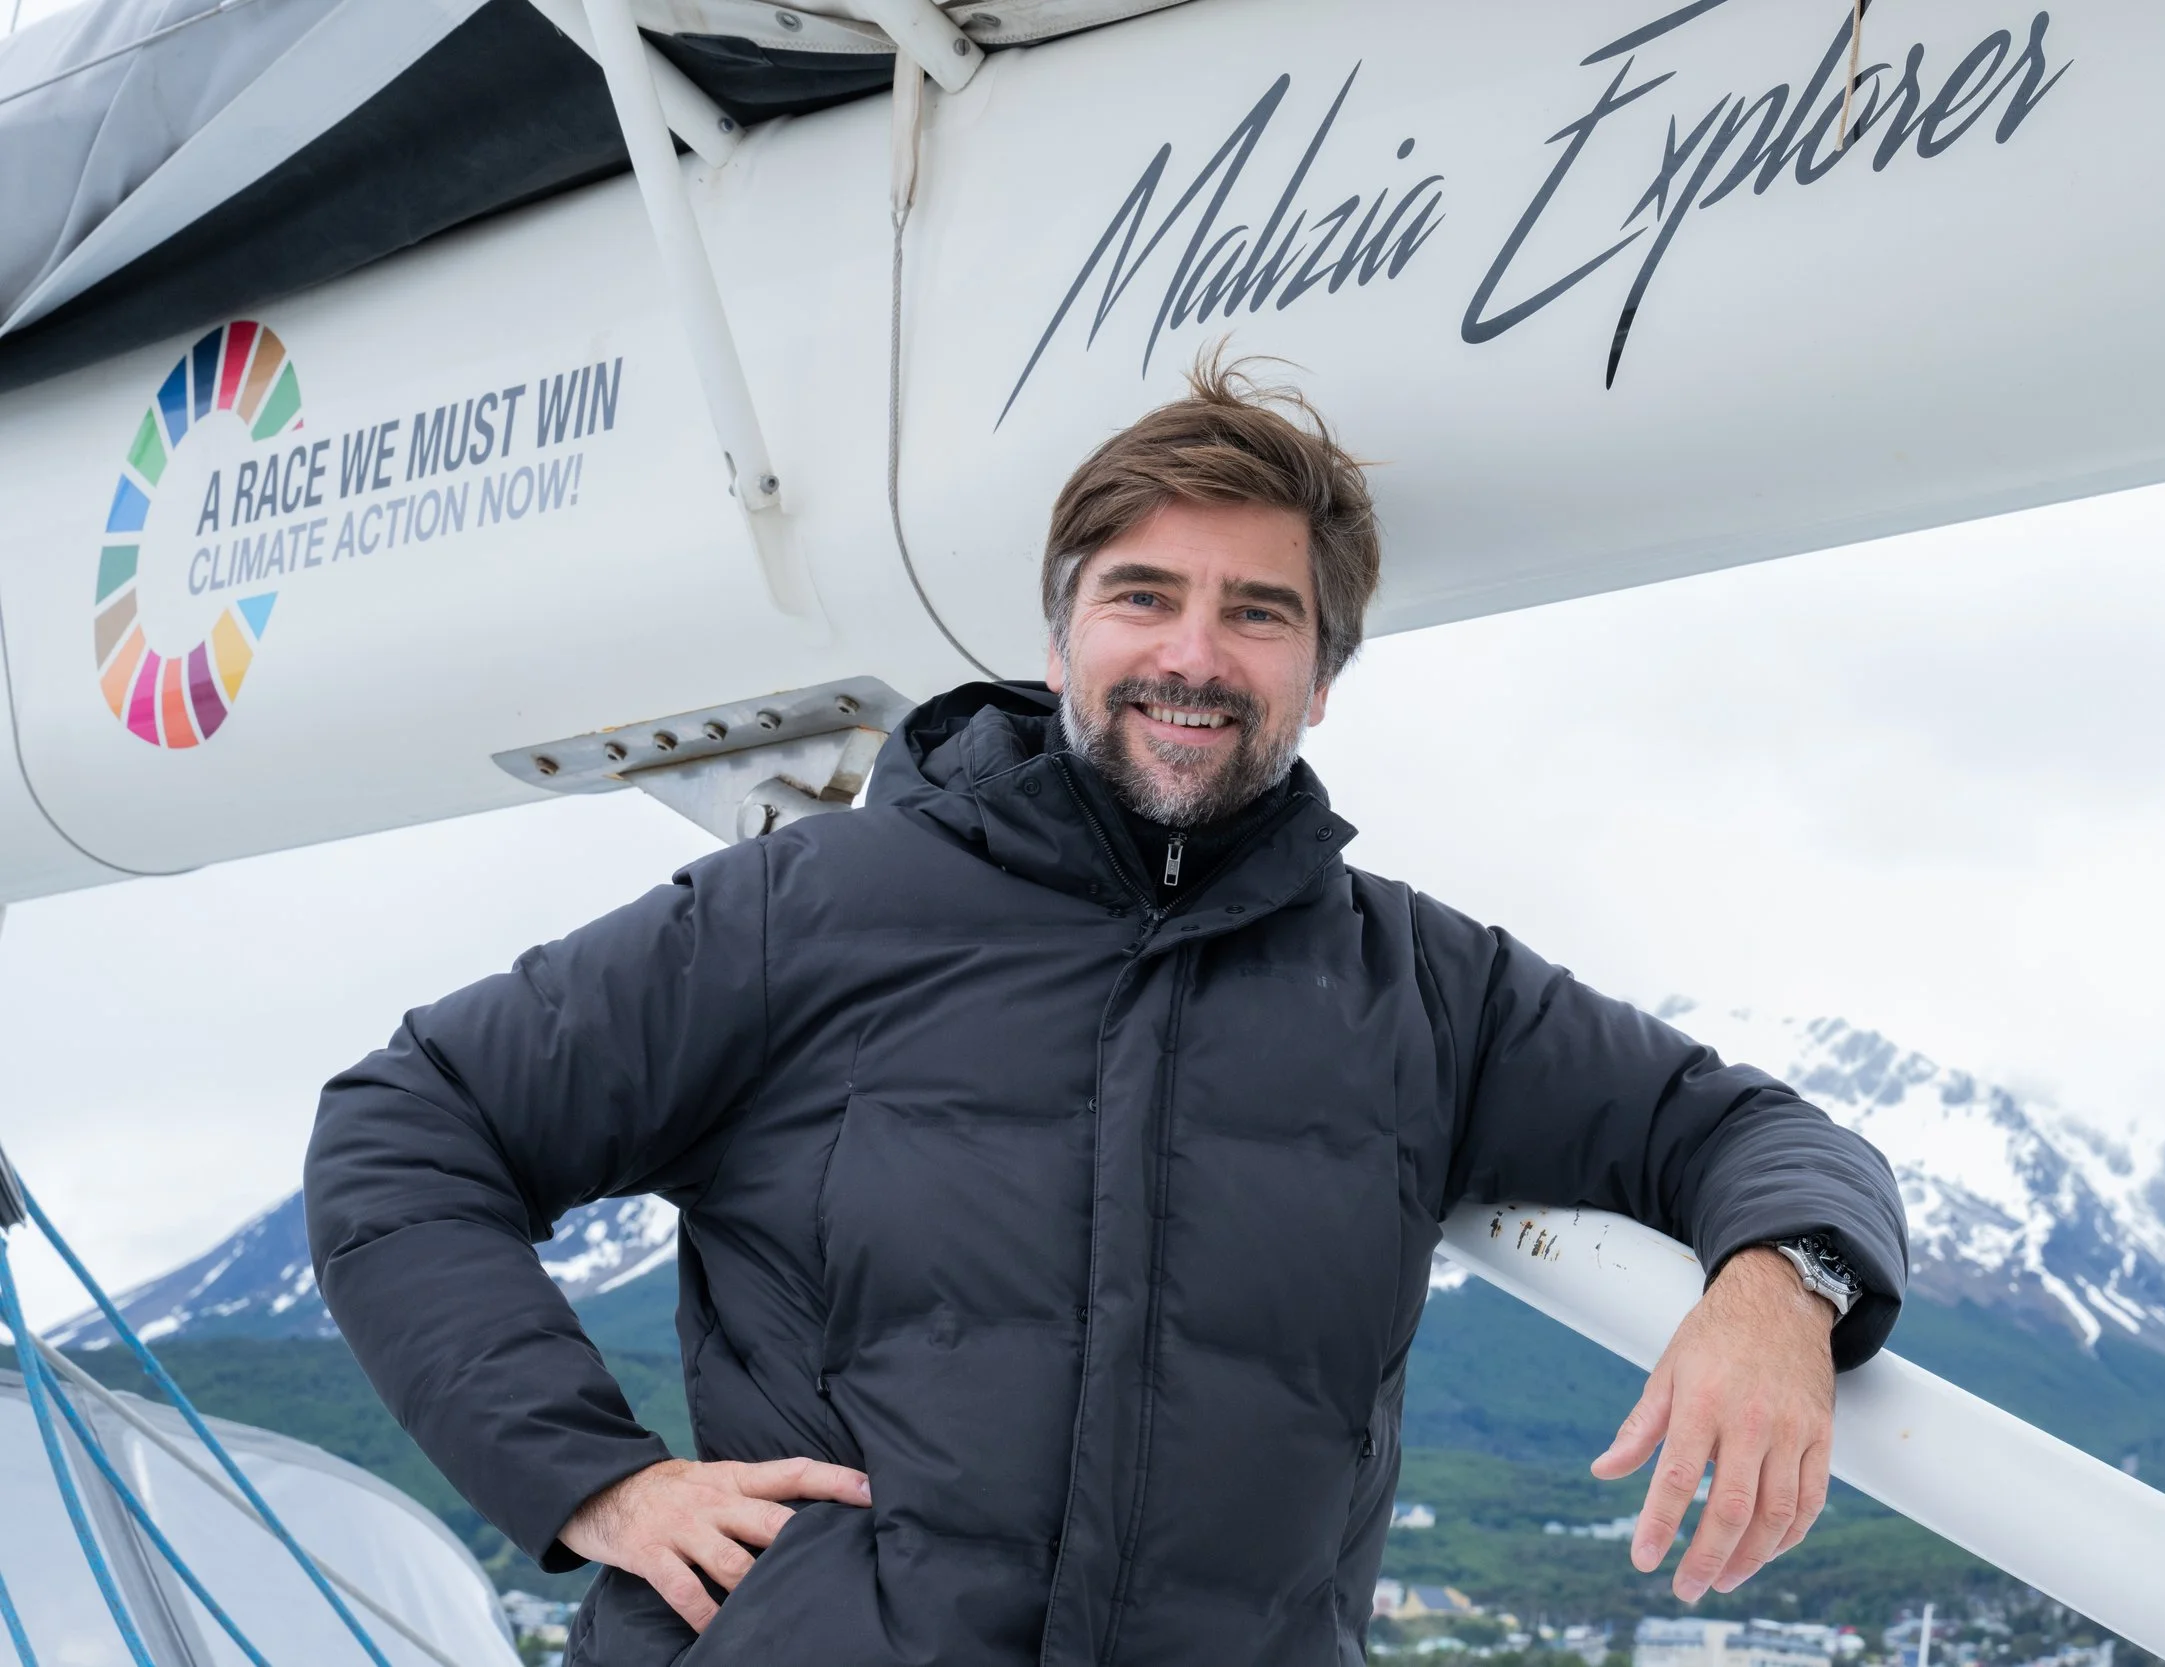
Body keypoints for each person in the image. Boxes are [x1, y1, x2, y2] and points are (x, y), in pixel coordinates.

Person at [305, 353, 1907, 1667]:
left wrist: (1780, 1291)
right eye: (1145, 596)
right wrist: (598, 1478)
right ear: (1063, 631)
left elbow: (1746, 1128)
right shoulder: (809, 909)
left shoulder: (1419, 987)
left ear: (1324, 672)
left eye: (1258, 612)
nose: (1193, 654)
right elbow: (406, 1127)